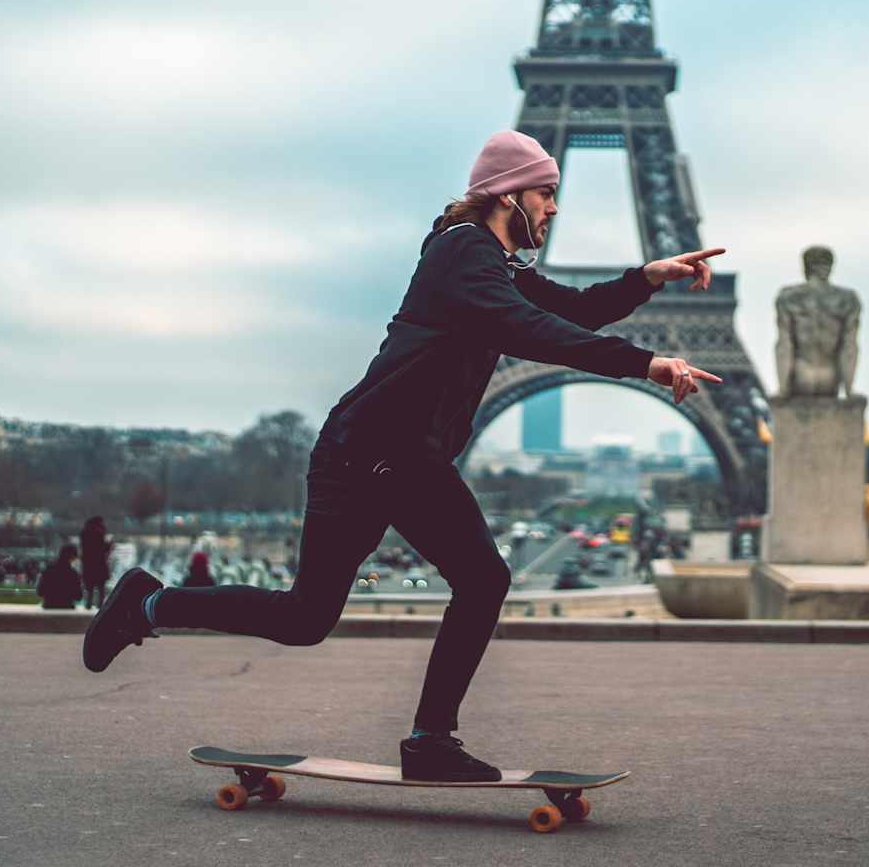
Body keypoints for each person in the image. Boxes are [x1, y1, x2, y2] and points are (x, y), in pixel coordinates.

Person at [81, 129, 727, 782]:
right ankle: (430, 742)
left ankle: (148, 604)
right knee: (482, 579)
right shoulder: (463, 255)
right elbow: (533, 330)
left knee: (305, 619)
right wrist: (643, 363)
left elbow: (575, 312)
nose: (555, 208)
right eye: (546, 193)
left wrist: (647, 278)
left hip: (371, 452)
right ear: (508, 195)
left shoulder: (493, 266)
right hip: (379, 451)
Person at [79, 516, 112, 610]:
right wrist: (109, 545)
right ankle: (100, 605)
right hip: (99, 564)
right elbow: (103, 549)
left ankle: (88, 604)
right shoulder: (99, 533)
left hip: (88, 564)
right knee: (101, 587)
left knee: (89, 587)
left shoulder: (84, 533)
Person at [37, 545, 83, 610]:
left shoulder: (48, 570)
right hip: (67, 607)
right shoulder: (73, 574)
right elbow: (78, 596)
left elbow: (40, 592)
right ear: (72, 557)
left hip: (49, 606)